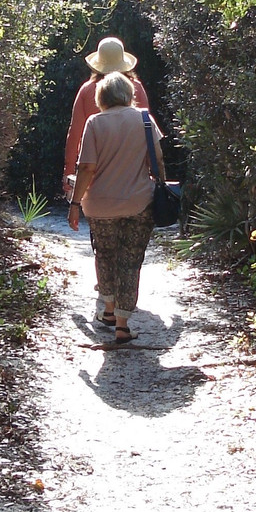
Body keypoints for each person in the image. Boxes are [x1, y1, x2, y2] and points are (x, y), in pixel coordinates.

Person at [67, 72, 163, 344]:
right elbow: (157, 158)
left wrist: (75, 203)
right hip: (138, 202)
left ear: (101, 97)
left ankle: (108, 310)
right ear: (129, 93)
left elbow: (86, 168)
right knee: (130, 262)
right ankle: (122, 324)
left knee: (105, 255)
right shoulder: (145, 119)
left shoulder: (94, 122)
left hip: (99, 205)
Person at [62, 37, 149, 197]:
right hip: (133, 175)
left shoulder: (87, 90)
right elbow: (147, 131)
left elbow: (75, 134)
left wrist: (68, 172)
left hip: (96, 175)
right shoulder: (136, 88)